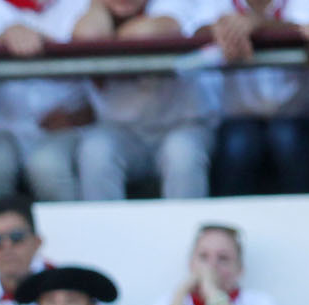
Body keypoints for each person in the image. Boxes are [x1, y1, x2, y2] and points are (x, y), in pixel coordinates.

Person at [71, 0, 216, 203]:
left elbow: (144, 33)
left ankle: (185, 232)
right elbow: (88, 36)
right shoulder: (90, 11)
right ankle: (104, 233)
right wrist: (97, 7)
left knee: (182, 155)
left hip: (180, 125)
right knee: (95, 151)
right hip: (123, 132)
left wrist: (111, 42)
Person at [205, 0, 309, 197]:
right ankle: (225, 225)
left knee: (286, 136)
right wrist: (223, 29)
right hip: (241, 122)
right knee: (238, 145)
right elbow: (190, 29)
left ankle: (308, 221)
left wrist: (258, 24)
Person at [0, 0, 94, 202]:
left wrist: (45, 42)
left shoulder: (80, 4)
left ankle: (69, 231)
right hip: (4, 128)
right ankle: (3, 230)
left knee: (47, 166)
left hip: (68, 127)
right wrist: (4, 36)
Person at [145, 224, 280, 305]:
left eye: (223, 258)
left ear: (239, 269)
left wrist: (213, 292)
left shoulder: (258, 302)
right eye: (203, 256)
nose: (212, 265)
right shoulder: (167, 303)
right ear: (191, 264)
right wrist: (180, 293)